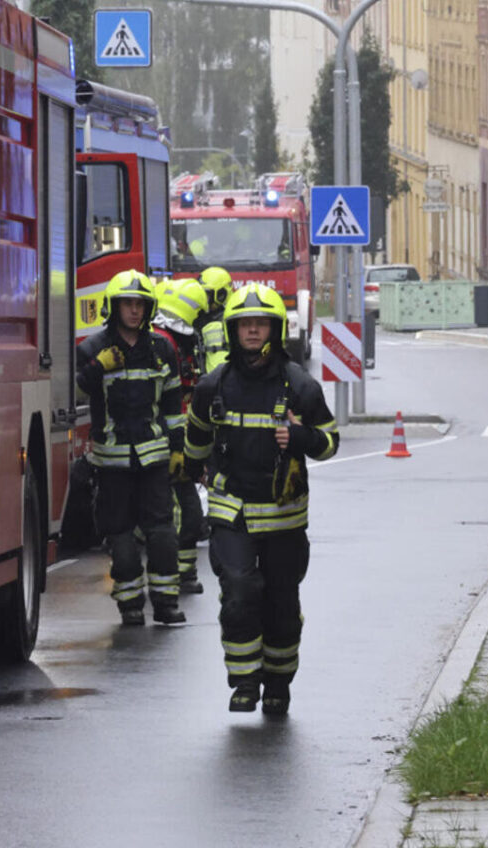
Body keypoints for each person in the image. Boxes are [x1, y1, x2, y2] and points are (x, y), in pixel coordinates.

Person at [183, 284, 339, 716]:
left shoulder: (300, 386)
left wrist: (301, 437)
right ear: (232, 331)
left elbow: (330, 443)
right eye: (244, 324)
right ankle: (245, 680)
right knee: (238, 591)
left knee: (281, 604)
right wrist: (188, 470)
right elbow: (196, 440)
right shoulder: (212, 387)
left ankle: (278, 684)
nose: (252, 331)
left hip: (284, 517)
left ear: (275, 329)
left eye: (260, 324)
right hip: (231, 511)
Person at [76, 270, 186, 627]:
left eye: (140, 304)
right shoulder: (92, 349)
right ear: (114, 307)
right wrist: (98, 368)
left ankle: (166, 602)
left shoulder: (161, 349)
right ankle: (130, 605)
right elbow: (73, 392)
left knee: (162, 533)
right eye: (128, 304)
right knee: (120, 536)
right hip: (112, 463)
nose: (135, 311)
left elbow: (173, 405)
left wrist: (178, 450)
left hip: (154, 459)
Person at [153, 278, 210, 596]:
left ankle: (184, 573)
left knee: (186, 514)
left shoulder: (171, 342)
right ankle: (174, 576)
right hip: (168, 446)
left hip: (178, 444)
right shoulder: (166, 345)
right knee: (183, 514)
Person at [197, 266, 233, 374]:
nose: (202, 300)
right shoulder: (199, 316)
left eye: (207, 295)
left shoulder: (227, 321)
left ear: (221, 295)